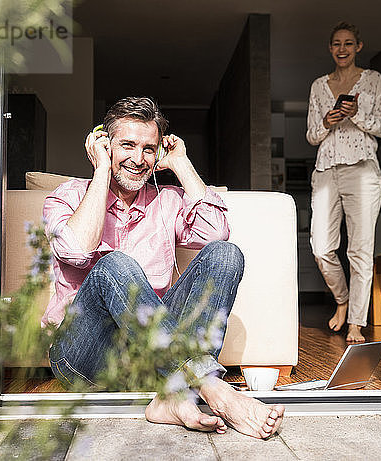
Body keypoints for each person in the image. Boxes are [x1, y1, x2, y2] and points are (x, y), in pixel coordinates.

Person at [42, 97, 284, 438]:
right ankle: (211, 387)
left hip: (152, 358)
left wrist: (182, 164)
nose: (139, 159)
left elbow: (216, 232)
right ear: (104, 144)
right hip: (85, 357)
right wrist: (100, 171)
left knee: (225, 254)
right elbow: (76, 251)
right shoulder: (67, 196)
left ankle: (173, 397)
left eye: (149, 149)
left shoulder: (167, 198)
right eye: (127, 145)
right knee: (115, 264)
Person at [306, 22, 381, 342]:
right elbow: (312, 136)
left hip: (363, 172)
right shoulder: (318, 86)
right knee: (321, 247)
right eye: (336, 44)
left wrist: (355, 114)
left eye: (348, 43)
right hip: (326, 170)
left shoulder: (373, 80)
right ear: (330, 49)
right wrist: (326, 121)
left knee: (360, 250)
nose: (342, 49)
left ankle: (356, 322)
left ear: (358, 46)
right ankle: (341, 299)